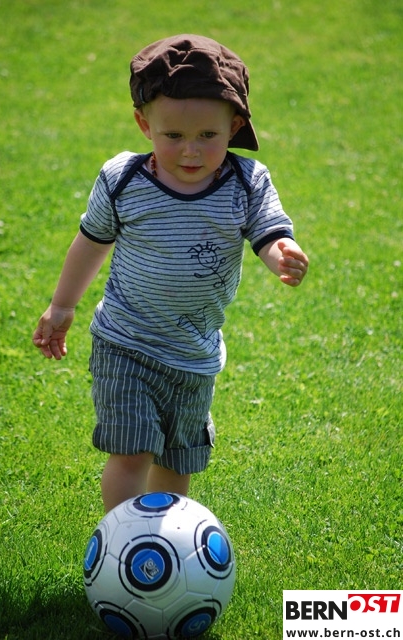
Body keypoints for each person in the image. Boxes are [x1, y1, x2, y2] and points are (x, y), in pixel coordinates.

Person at [32, 34, 309, 513]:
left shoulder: (247, 182)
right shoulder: (123, 180)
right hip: (126, 341)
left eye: (208, 136)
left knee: (176, 460)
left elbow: (267, 233)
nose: (190, 152)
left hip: (194, 355)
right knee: (132, 450)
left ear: (234, 126)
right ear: (144, 124)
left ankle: (165, 541)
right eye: (173, 136)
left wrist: (281, 253)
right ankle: (122, 540)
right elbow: (92, 243)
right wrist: (62, 306)